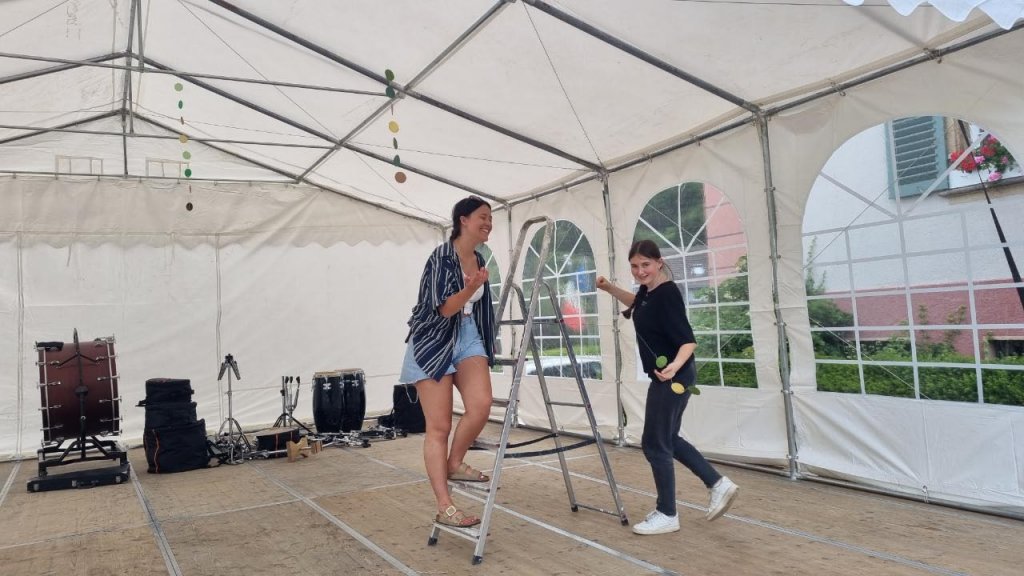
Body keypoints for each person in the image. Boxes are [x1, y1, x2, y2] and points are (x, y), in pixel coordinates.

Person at [597, 239, 738, 535]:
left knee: (654, 442)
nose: (640, 271)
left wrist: (674, 366)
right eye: (634, 266)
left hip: (674, 376)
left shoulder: (668, 294)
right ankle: (717, 483)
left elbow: (688, 341)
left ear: (659, 262)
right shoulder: (649, 292)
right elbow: (637, 303)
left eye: (645, 265)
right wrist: (609, 288)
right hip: (668, 376)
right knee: (667, 438)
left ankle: (667, 513)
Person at [400, 195, 496, 528]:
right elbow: (443, 309)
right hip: (433, 338)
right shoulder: (441, 257)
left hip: (466, 334)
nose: (488, 223)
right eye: (483, 217)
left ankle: (454, 462)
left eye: (491, 218)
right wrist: (470, 289)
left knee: (481, 405)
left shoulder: (479, 259)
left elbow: (477, 309)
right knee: (439, 427)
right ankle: (445, 505)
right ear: (463, 220)